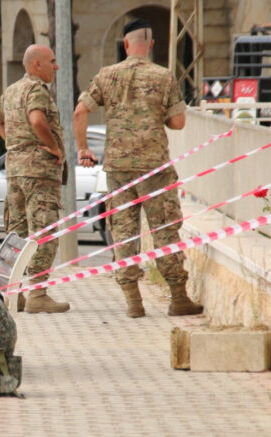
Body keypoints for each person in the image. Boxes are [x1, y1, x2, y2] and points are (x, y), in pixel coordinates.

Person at [72, 18, 203, 318]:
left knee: (124, 232)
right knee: (165, 231)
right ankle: (178, 298)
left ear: (126, 44)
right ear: (152, 45)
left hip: (118, 168)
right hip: (154, 167)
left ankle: (133, 301)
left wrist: (83, 149)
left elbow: (81, 111)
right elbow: (179, 122)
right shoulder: (164, 76)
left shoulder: (106, 76)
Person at [0, 44, 70, 314]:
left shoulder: (11, 90)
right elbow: (37, 120)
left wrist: (14, 145)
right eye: (52, 61)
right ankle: (38, 294)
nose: (56, 66)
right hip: (39, 173)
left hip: (15, 171)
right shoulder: (36, 90)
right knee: (43, 232)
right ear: (36, 65)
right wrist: (54, 147)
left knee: (18, 234)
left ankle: (16, 294)